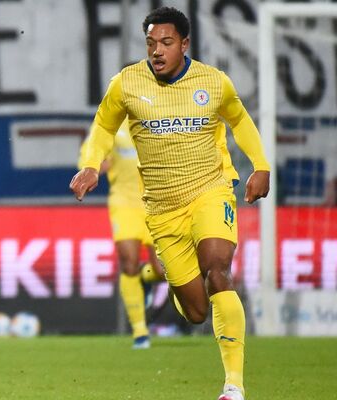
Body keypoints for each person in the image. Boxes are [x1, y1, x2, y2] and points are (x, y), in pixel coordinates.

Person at [69, 7, 270, 400]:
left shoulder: (213, 83)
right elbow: (104, 125)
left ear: (184, 44)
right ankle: (166, 277)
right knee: (196, 312)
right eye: (150, 43)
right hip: (161, 209)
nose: (157, 51)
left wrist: (260, 166)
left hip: (210, 191)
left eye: (166, 42)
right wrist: (91, 165)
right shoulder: (127, 83)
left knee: (217, 270)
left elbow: (240, 120)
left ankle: (233, 385)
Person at [79, 120, 164, 350]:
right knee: (129, 263)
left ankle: (146, 279)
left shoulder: (156, 116)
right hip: (124, 203)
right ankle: (140, 332)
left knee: (163, 270)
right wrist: (97, 165)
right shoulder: (112, 122)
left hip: (157, 204)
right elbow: (89, 154)